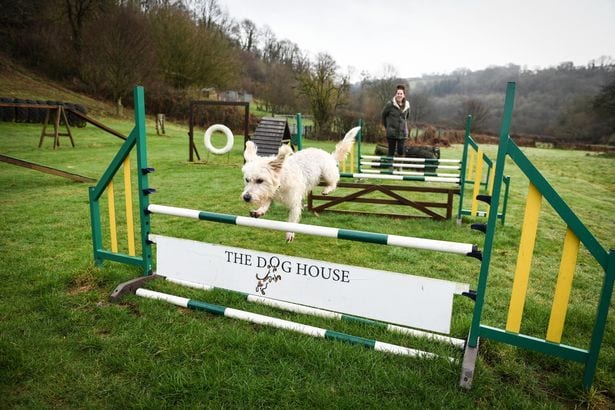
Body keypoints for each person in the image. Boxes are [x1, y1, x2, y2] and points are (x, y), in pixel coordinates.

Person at [381, 84, 411, 159]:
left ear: (404, 95)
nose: (399, 95)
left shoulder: (407, 105)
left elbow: (407, 117)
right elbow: (383, 115)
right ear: (395, 94)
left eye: (401, 94)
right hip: (391, 133)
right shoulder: (390, 104)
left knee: (400, 150)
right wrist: (387, 126)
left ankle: (398, 167)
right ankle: (389, 168)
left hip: (402, 132)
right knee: (391, 151)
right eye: (398, 93)